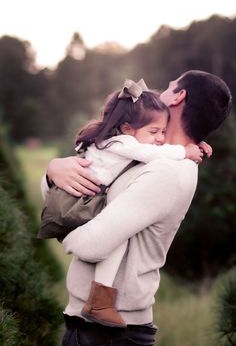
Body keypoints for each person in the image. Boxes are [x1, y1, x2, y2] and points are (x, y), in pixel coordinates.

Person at [42, 70, 232, 346]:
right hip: (94, 327)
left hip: (110, 333)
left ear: (179, 96)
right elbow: (74, 190)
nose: (156, 92)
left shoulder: (167, 170)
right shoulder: (145, 152)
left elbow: (92, 245)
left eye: (168, 87)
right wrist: (53, 172)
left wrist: (61, 233)